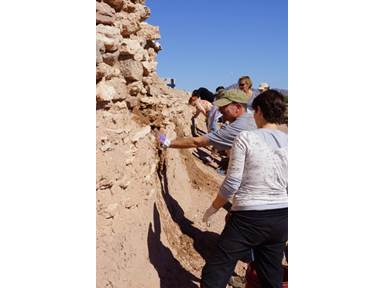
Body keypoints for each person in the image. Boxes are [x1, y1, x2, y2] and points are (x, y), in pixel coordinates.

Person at [200, 89, 288, 288]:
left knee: (215, 272)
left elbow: (232, 183)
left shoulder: (246, 138)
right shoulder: (290, 141)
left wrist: (213, 208)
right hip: (281, 217)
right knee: (270, 275)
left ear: (258, 111)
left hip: (248, 218)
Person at [158, 89, 257, 152]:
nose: (220, 110)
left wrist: (164, 140)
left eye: (224, 106)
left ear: (238, 108)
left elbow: (196, 142)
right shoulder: (253, 118)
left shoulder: (235, 128)